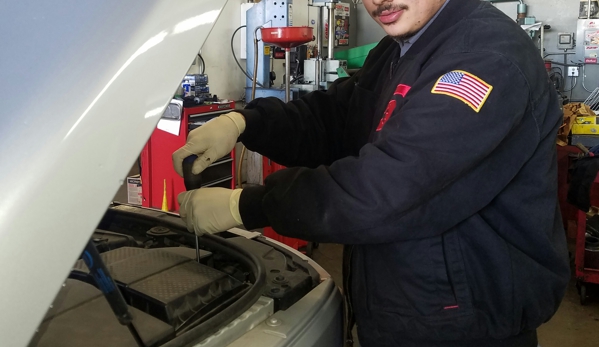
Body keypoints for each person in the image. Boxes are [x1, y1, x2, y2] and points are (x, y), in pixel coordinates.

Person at [172, 0, 570, 346]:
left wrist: (247, 205)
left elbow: (389, 188)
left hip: (464, 324)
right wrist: (245, 124)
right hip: (410, 304)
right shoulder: (402, 48)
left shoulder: (483, 59)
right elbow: (334, 118)